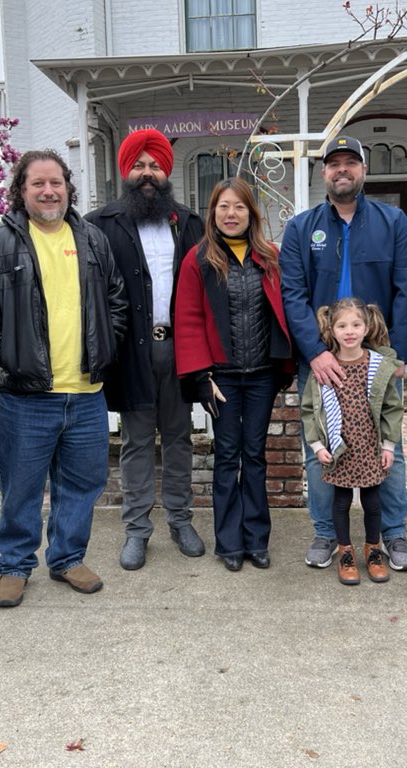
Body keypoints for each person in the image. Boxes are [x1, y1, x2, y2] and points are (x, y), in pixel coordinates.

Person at [0, 150, 127, 608]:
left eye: (55, 182)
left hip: (87, 393)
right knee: (22, 485)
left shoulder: (92, 239)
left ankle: (67, 558)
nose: (48, 190)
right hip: (28, 395)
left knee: (83, 483)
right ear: (21, 190)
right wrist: (6, 352)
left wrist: (107, 345)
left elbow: (116, 300)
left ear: (68, 187)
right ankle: (14, 566)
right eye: (38, 183)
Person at [279, 134, 407, 572]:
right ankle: (326, 534)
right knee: (319, 446)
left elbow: (406, 290)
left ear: (363, 171)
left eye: (350, 163)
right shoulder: (302, 228)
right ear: (324, 173)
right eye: (334, 163)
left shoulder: (392, 222)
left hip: (375, 358)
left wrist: (396, 355)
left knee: (385, 442)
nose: (342, 170)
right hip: (321, 360)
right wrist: (314, 352)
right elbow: (293, 295)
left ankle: (392, 535)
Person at [85, 129, 206, 571]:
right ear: (126, 171)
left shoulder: (190, 222)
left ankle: (180, 520)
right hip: (131, 352)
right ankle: (137, 529)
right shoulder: (99, 225)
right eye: (139, 165)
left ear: (166, 172)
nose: (148, 173)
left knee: (178, 438)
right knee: (137, 441)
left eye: (155, 165)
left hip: (179, 349)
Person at [174, 178, 293, 572]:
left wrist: (284, 362)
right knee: (227, 456)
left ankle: (257, 540)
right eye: (223, 206)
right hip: (220, 378)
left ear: (251, 214)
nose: (231, 214)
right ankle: (228, 543)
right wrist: (200, 376)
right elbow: (188, 318)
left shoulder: (270, 257)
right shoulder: (199, 259)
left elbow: (285, 310)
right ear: (213, 213)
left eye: (239, 207)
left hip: (261, 375)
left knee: (255, 456)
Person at [301, 298, 403, 586]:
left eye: (356, 324)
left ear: (367, 326)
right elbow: (310, 410)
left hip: (370, 447)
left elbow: (392, 409)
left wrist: (389, 446)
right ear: (331, 330)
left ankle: (373, 549)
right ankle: (345, 551)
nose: (349, 331)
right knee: (341, 502)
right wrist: (318, 447)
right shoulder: (324, 368)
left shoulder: (379, 366)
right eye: (342, 325)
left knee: (372, 501)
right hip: (339, 450)